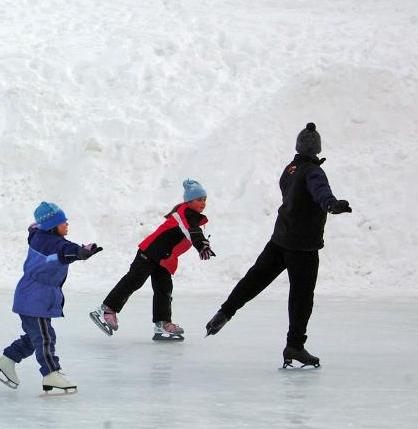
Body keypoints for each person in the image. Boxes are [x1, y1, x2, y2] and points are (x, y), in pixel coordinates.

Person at [205, 123, 352, 368]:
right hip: (303, 247)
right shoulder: (313, 171)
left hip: (280, 239)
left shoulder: (290, 169)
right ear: (317, 148)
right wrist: (331, 204)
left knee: (254, 279)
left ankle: (225, 311)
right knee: (301, 298)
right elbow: (320, 190)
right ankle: (295, 345)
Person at [0, 202, 103, 394]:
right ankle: (51, 373)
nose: (67, 224)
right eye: (62, 222)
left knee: (36, 337)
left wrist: (79, 251)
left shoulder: (40, 237)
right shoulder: (48, 243)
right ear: (52, 226)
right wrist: (79, 252)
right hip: (35, 298)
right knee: (45, 337)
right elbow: (63, 250)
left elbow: (59, 248)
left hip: (33, 296)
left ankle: (7, 360)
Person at [90, 179, 215, 341]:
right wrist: (201, 244)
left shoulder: (192, 216)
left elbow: (193, 231)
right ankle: (106, 310)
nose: (203, 203)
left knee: (164, 289)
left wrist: (202, 243)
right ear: (189, 201)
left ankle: (162, 324)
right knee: (134, 281)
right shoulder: (185, 213)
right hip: (150, 252)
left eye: (204, 200)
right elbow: (192, 231)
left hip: (164, 259)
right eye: (199, 199)